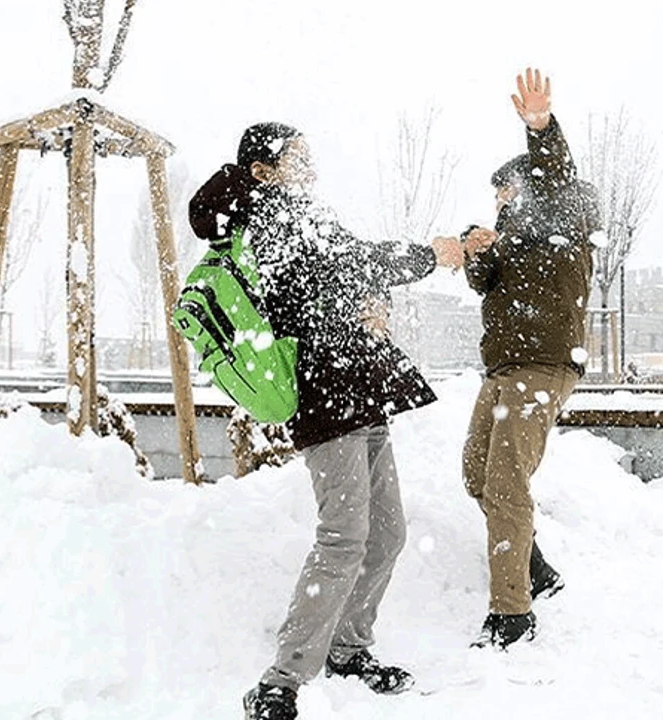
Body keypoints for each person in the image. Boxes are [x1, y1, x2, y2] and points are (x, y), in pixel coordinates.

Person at [188, 123, 465, 720]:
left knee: (387, 534)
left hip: (358, 387)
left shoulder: (301, 211)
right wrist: (429, 256)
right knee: (343, 536)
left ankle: (348, 648)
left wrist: (374, 306)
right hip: (324, 394)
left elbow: (343, 280)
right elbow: (347, 266)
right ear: (264, 171)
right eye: (298, 156)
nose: (311, 163)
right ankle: (280, 682)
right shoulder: (266, 216)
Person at [453, 68, 599, 650]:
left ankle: (512, 613)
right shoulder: (511, 238)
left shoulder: (564, 216)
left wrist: (540, 126)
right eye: (497, 195)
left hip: (543, 367)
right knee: (475, 472)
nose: (501, 200)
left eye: (507, 191)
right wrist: (475, 246)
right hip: (505, 370)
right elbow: (483, 282)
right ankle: (534, 566)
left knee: (508, 483)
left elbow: (556, 175)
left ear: (532, 186)